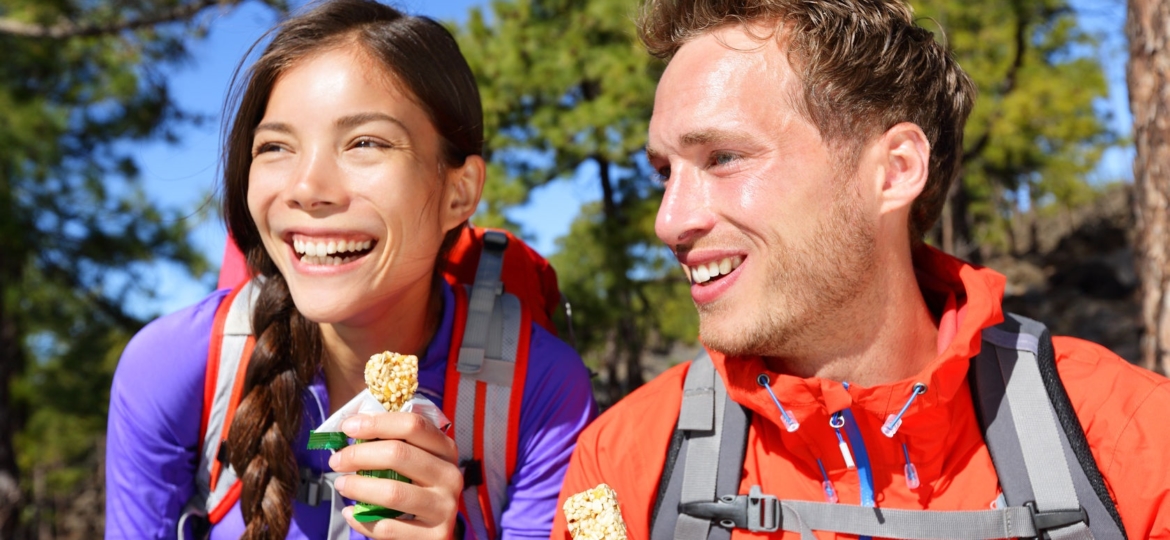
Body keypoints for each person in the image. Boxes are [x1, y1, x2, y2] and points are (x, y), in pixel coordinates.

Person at [552, 1, 1170, 539]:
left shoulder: (1133, 444)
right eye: (666, 172)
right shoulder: (624, 465)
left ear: (895, 170)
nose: (669, 221)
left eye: (724, 157)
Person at [105, 1, 596, 538]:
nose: (307, 188)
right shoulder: (174, 367)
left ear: (460, 192)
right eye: (275, 147)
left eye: (365, 142)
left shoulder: (540, 391)